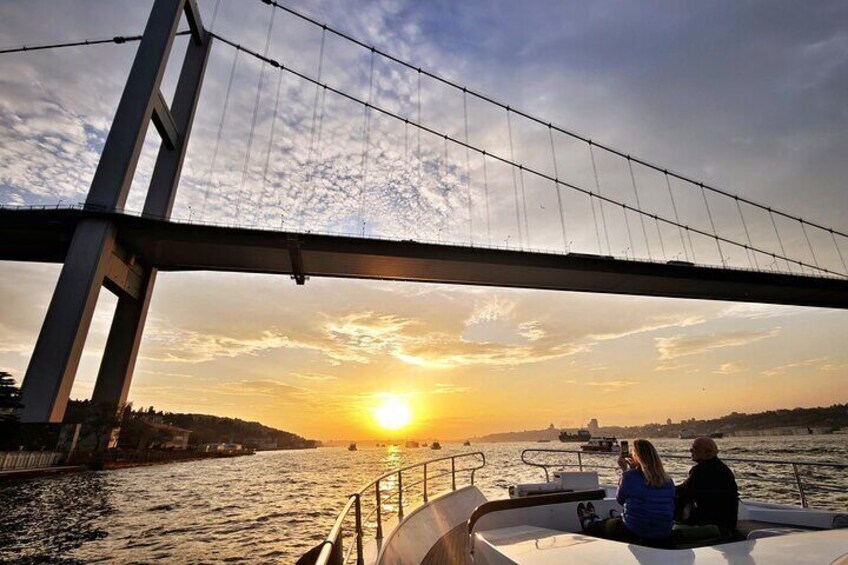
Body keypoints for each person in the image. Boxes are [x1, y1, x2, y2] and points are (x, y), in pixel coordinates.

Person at [579, 439, 675, 546]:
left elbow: (620, 499)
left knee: (608, 525)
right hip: (664, 532)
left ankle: (589, 523)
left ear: (637, 457)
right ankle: (600, 519)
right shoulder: (668, 480)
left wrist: (625, 470)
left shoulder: (630, 476)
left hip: (636, 531)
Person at [676, 437, 739, 532]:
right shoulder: (724, 469)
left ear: (708, 452)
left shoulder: (700, 471)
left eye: (695, 448)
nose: (691, 450)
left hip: (710, 524)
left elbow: (684, 491)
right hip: (728, 523)